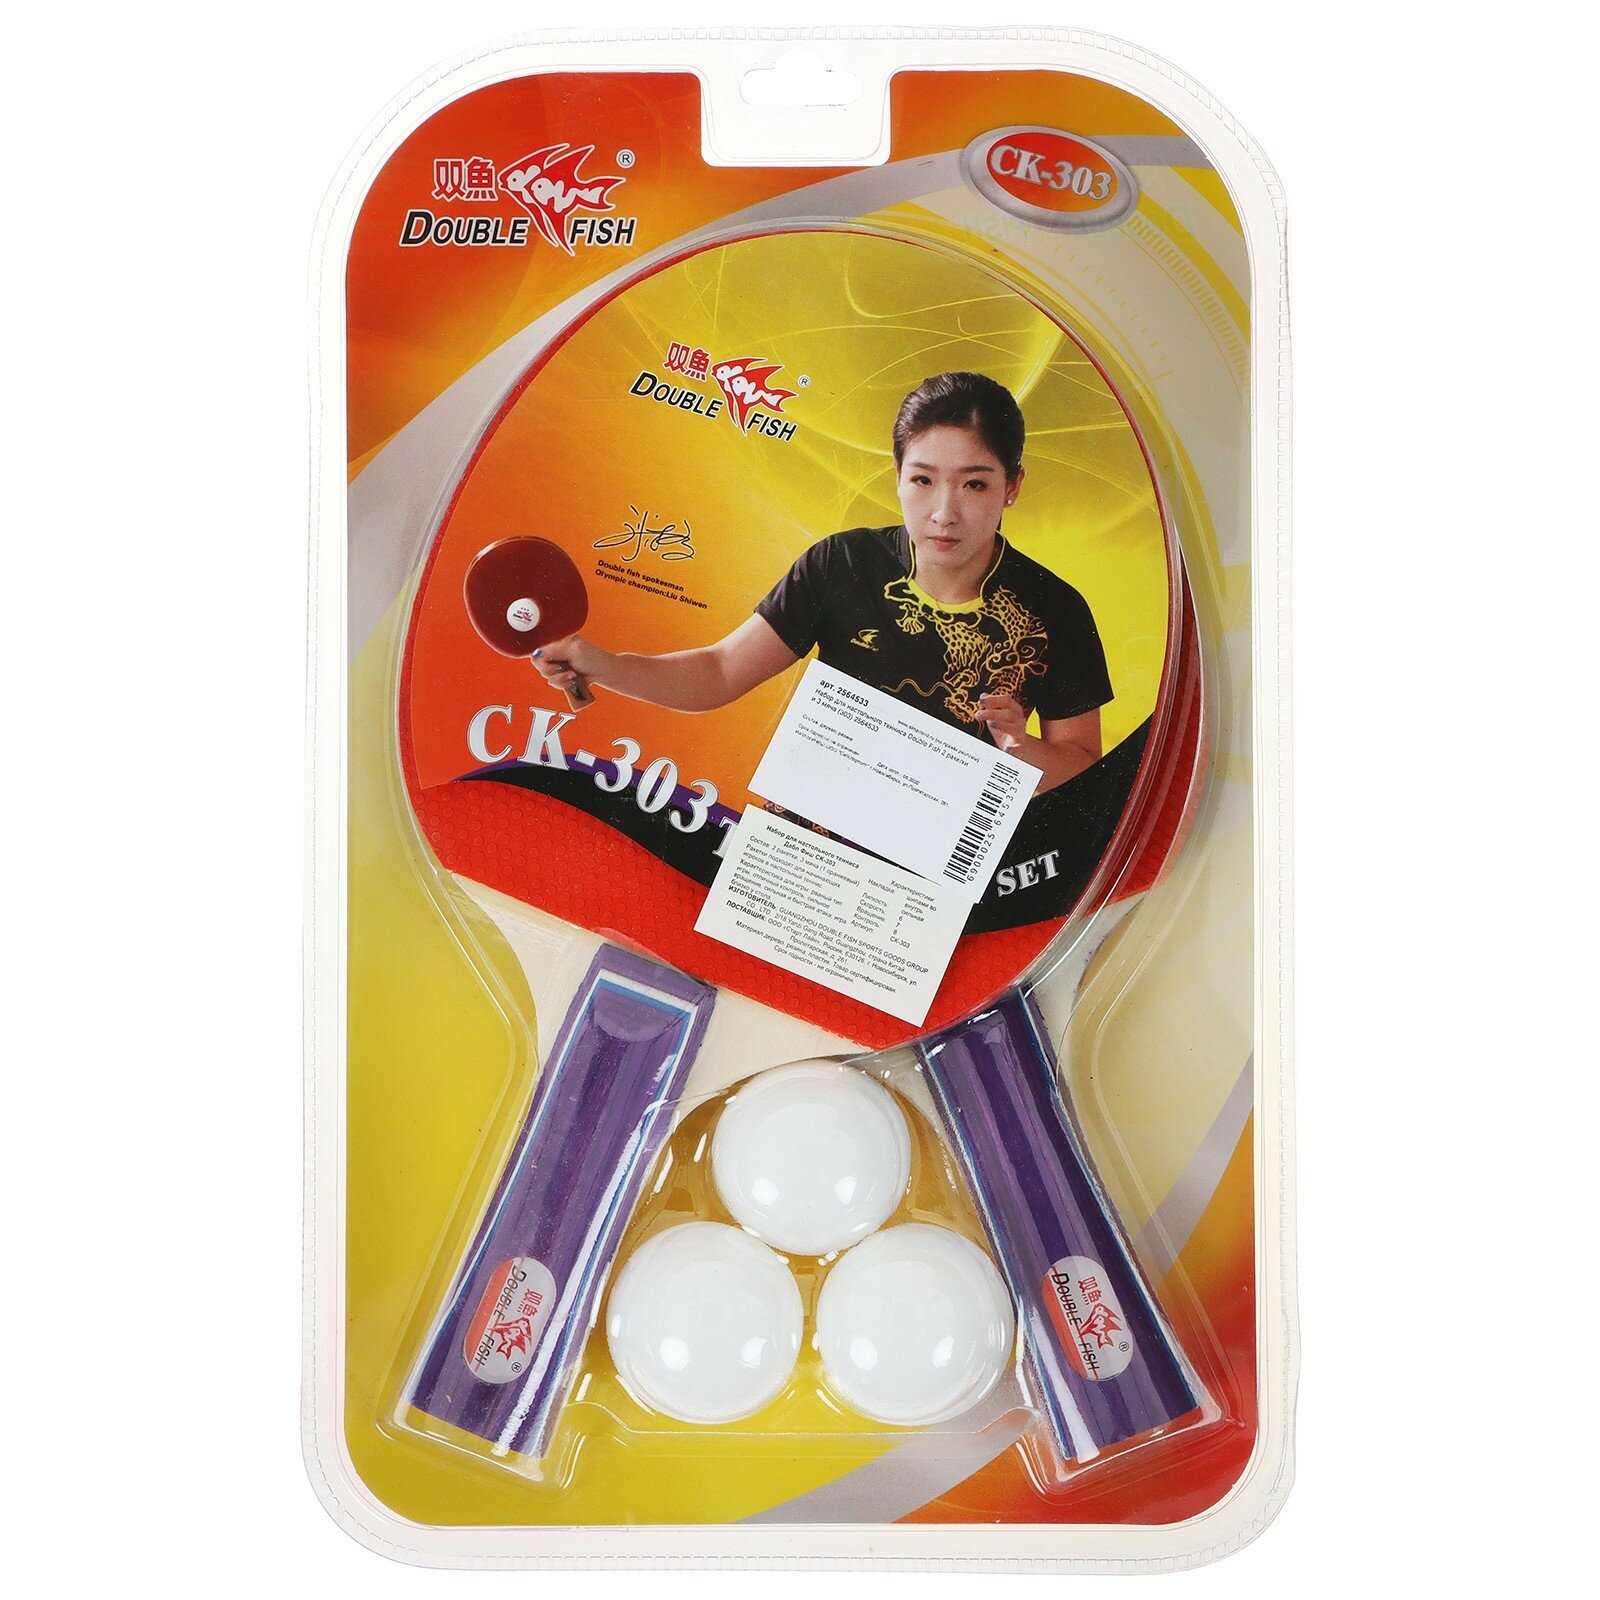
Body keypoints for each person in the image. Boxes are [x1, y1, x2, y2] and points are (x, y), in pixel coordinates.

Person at [532, 371, 1112, 793]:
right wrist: (603, 664)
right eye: (923, 480)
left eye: (975, 484)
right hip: (802, 854)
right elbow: (719, 672)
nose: (944, 513)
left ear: (1013, 486)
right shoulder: (843, 564)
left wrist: (1021, 751)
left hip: (948, 877)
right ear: (898, 476)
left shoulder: (1056, 610)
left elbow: (1085, 765)